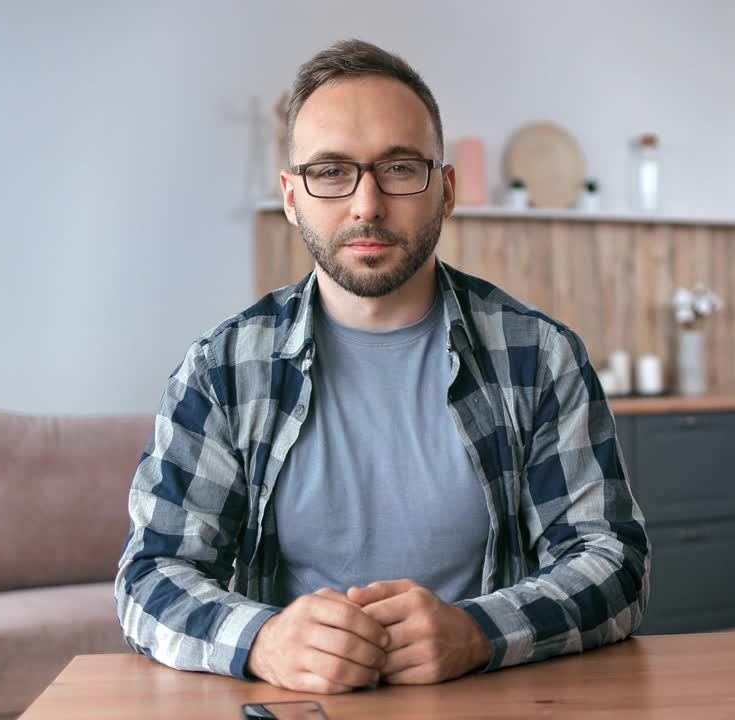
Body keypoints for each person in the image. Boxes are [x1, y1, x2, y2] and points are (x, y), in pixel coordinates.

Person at [115, 39, 649, 695]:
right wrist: (262, 641)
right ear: (290, 195)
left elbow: (614, 564)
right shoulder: (223, 369)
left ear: (446, 189)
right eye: (331, 172)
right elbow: (149, 575)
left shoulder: (540, 356)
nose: (366, 205)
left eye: (398, 169)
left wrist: (480, 633)